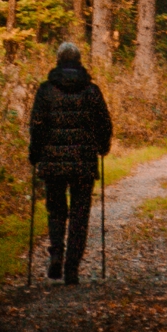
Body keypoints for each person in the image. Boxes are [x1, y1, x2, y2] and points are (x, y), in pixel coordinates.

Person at [27, 39, 112, 283]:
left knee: (56, 210)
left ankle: (56, 253)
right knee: (79, 213)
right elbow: (104, 123)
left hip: (53, 162)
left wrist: (35, 153)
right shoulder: (91, 90)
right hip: (83, 162)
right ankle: (71, 267)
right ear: (78, 61)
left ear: (58, 60)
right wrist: (103, 147)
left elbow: (37, 125)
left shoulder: (46, 90)